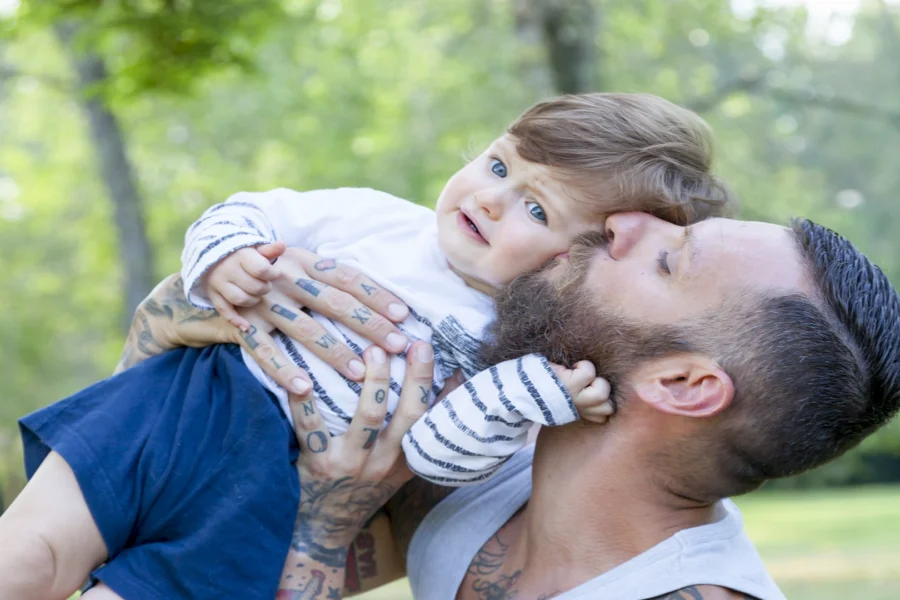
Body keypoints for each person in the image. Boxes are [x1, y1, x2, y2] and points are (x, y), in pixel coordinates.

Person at [0, 93, 732, 599]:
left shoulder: (510, 353)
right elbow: (248, 211)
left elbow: (444, 454)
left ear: (575, 264)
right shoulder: (378, 221)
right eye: (500, 166)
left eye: (536, 209)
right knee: (24, 562)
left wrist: (535, 393)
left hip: (272, 499)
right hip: (181, 406)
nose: (488, 198)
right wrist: (226, 259)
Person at [78, 211, 900, 599]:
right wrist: (259, 297)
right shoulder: (487, 458)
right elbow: (193, 538)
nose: (621, 219)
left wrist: (328, 527)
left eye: (666, 259)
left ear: (683, 385)